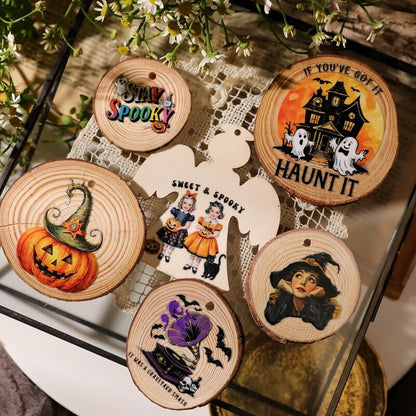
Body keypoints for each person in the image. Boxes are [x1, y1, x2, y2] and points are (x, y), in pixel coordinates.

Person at [264, 252, 341, 330]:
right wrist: (288, 292)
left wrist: (311, 297)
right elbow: (272, 318)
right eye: (298, 276)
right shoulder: (276, 299)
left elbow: (319, 324)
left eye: (311, 280)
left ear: (318, 287)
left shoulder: (326, 308)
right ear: (290, 280)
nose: (303, 282)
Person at [183, 201, 224, 274]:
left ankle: (195, 266)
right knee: (193, 252)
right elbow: (197, 226)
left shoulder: (217, 225)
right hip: (198, 238)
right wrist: (202, 227)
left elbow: (217, 233)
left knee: (200, 255)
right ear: (209, 210)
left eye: (217, 212)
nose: (213, 213)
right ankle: (189, 264)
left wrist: (211, 235)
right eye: (212, 211)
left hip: (207, 241)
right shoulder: (203, 219)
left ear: (220, 214)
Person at [157, 190, 197, 262]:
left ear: (192, 206)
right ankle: (162, 253)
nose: (186, 206)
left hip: (179, 232)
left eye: (189, 205)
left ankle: (168, 255)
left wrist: (181, 227)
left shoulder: (189, 216)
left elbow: (187, 225)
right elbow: (171, 217)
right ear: (181, 202)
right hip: (170, 229)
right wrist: (170, 221)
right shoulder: (176, 211)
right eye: (185, 203)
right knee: (166, 243)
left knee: (172, 245)